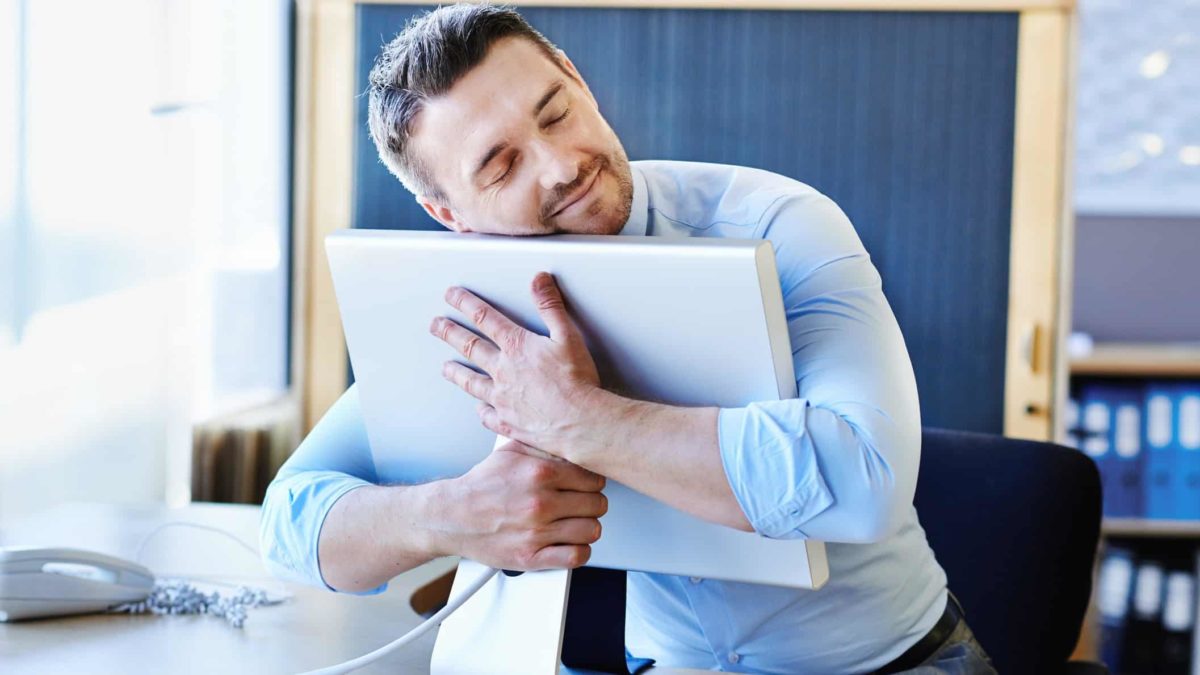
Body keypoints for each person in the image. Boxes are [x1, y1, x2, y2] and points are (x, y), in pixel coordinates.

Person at [260, 5, 998, 673]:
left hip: (898, 664)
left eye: (556, 113)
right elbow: (290, 517)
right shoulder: (475, 305)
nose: (561, 166)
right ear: (447, 212)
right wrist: (452, 514)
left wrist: (582, 421)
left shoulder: (779, 224)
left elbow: (864, 477)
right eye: (502, 164)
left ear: (578, 80)